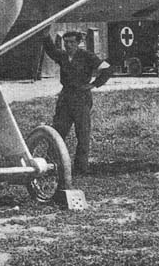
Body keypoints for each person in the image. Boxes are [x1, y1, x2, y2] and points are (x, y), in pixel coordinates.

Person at [42, 29, 113, 175]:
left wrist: (94, 84)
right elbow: (50, 50)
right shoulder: (62, 56)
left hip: (81, 98)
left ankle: (81, 168)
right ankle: (51, 164)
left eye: (72, 42)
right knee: (58, 131)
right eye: (66, 42)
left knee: (82, 133)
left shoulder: (87, 56)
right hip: (65, 98)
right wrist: (45, 34)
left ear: (79, 43)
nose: (68, 45)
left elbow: (107, 69)